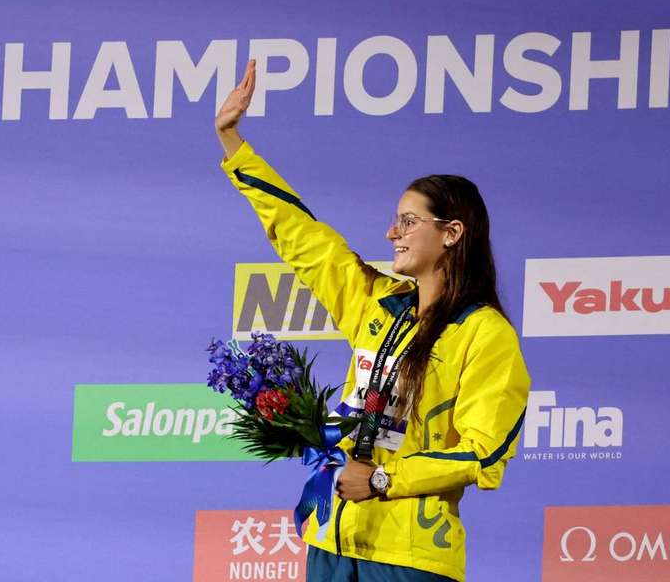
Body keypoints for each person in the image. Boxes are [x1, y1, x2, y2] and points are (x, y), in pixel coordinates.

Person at [215, 60, 531, 582]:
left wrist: (385, 480)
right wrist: (233, 143)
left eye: (408, 221)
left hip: (409, 555)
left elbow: (483, 454)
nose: (392, 233)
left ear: (452, 232)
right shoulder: (378, 302)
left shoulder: (484, 332)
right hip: (333, 536)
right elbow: (304, 238)